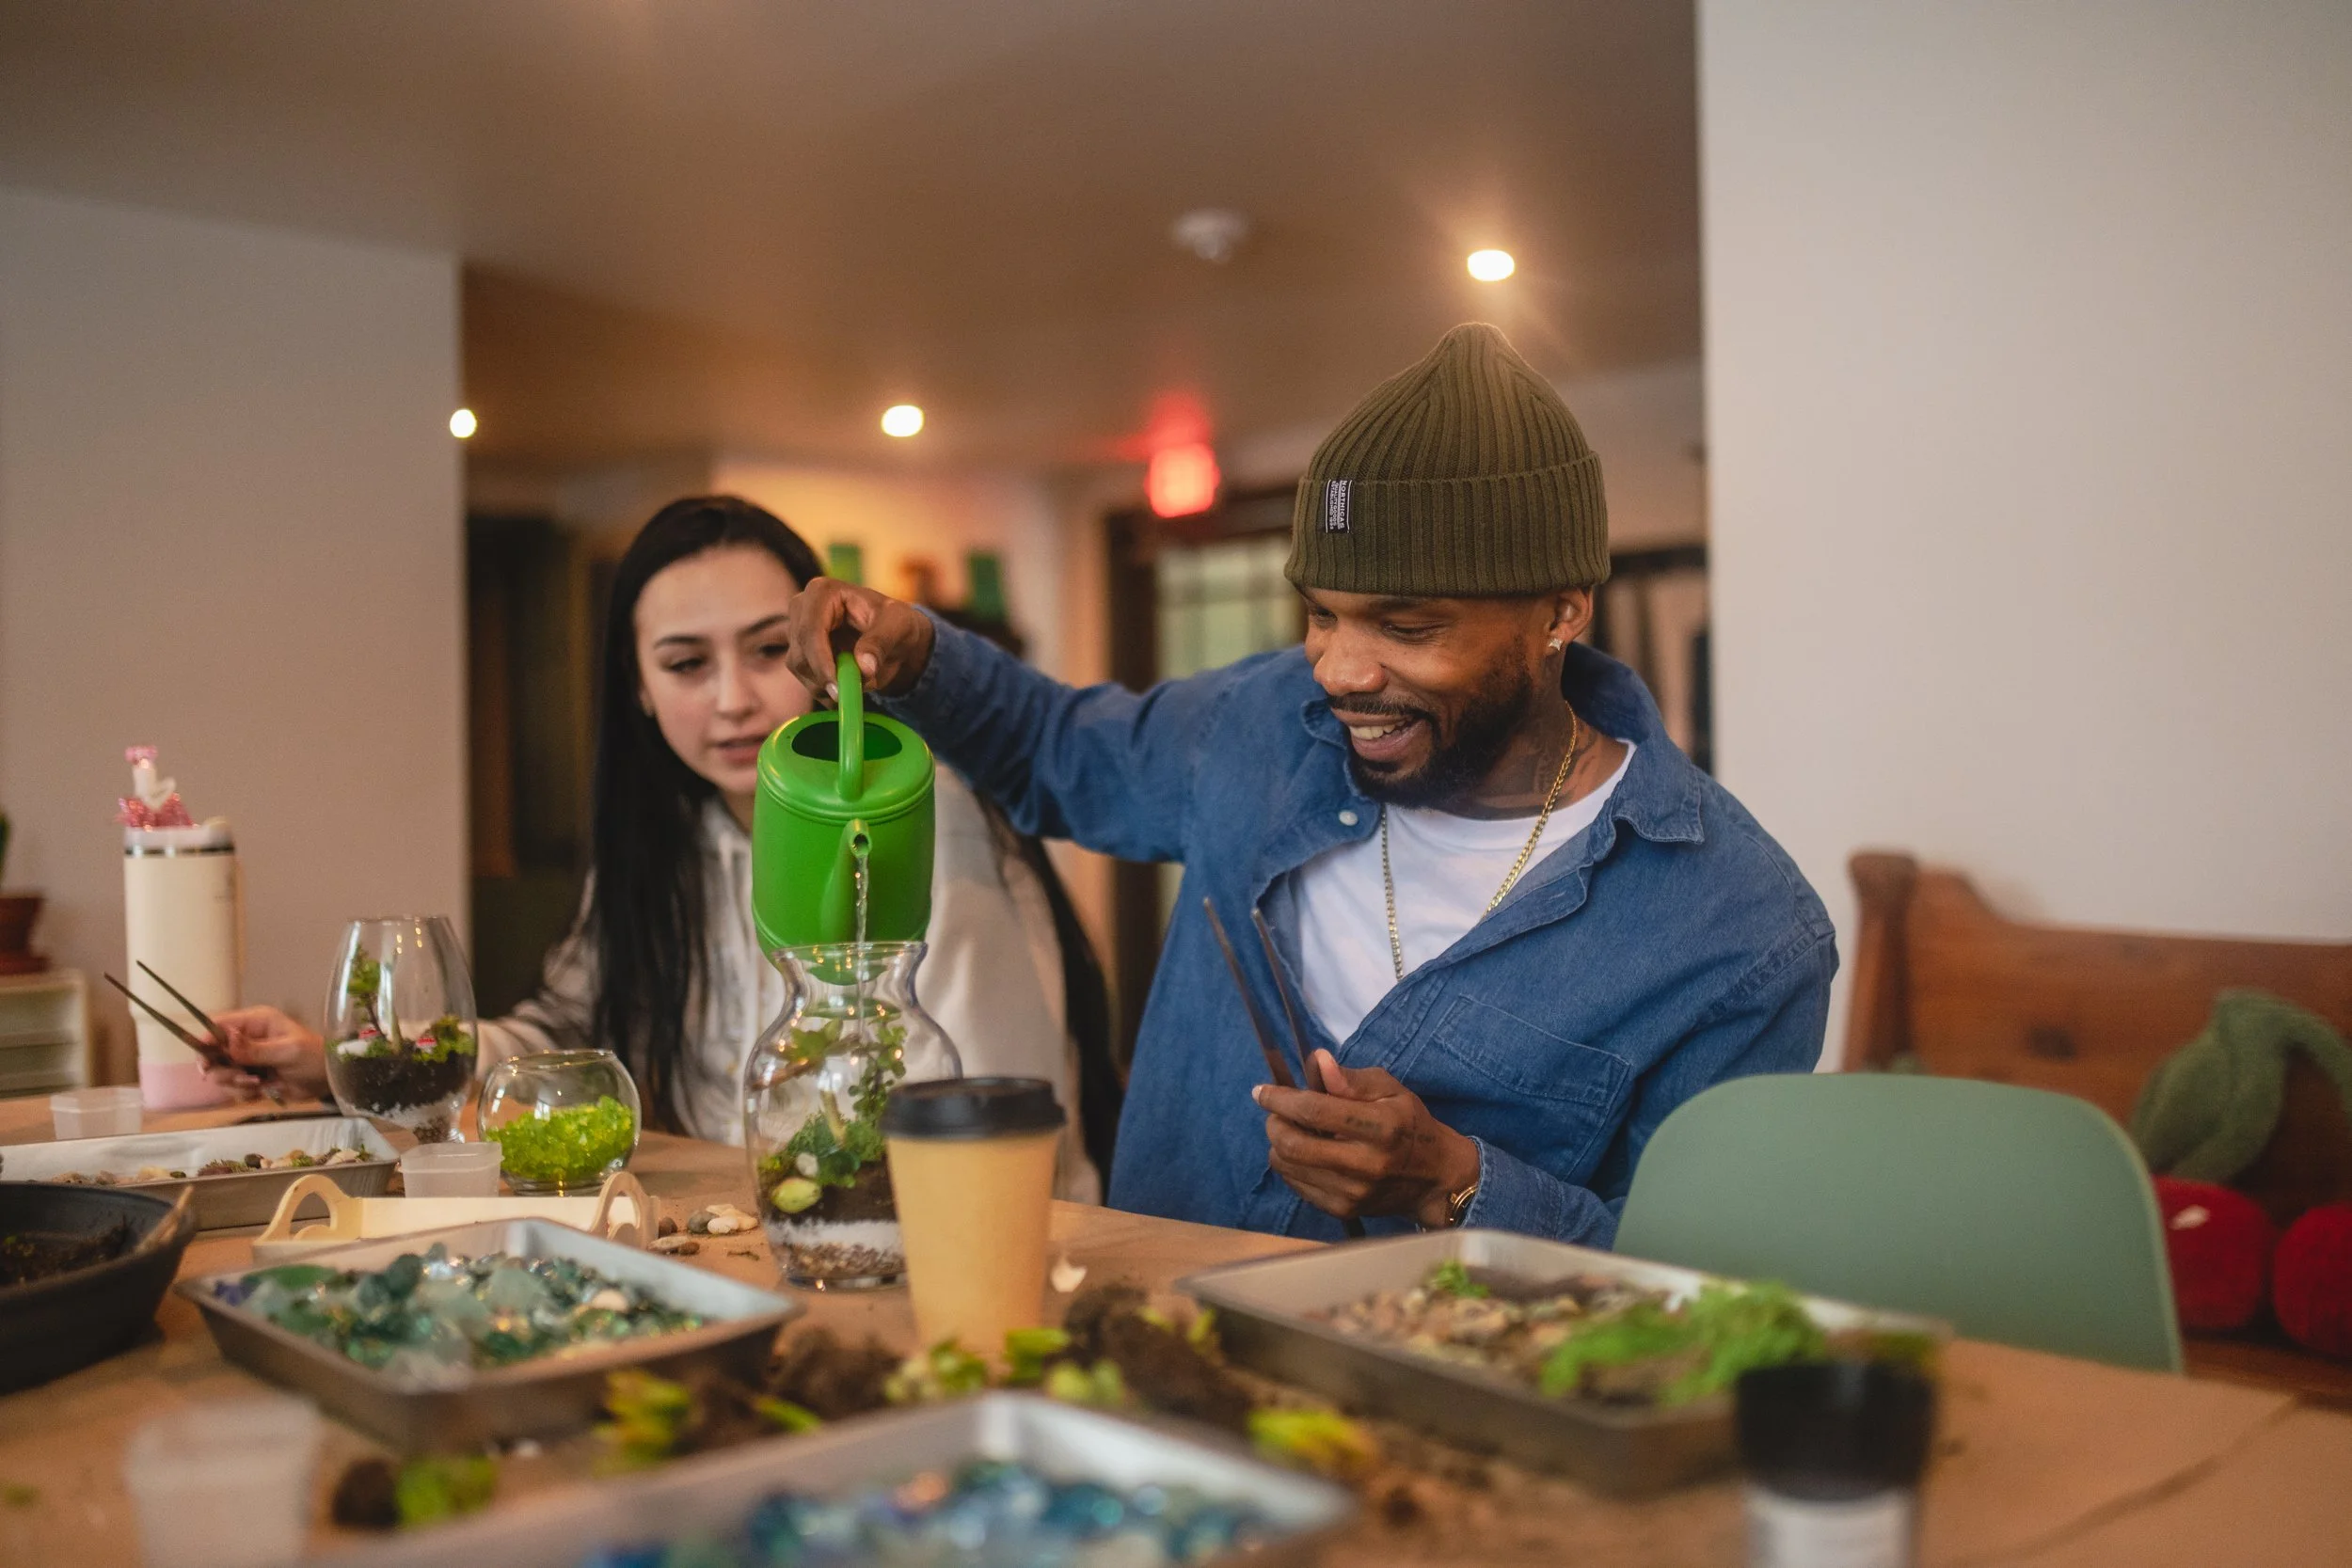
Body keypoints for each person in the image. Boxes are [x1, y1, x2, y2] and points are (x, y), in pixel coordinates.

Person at [783, 324, 1834, 1246]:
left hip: (1425, 1402)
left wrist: (1456, 1184)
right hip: (1147, 1347)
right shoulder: (1257, 721)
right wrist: (917, 657)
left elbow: (1700, 1279)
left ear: (1561, 613)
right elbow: (1056, 752)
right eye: (1323, 614)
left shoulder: (1739, 929)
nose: (1339, 670)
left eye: (1406, 626)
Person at [209, 496, 1110, 1200]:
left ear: (831, 656)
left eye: (770, 650)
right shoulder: (665, 848)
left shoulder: (923, 819)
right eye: (686, 664)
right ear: (637, 686)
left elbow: (998, 1119)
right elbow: (562, 1031)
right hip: (747, 1236)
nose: (732, 699)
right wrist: (357, 1055)